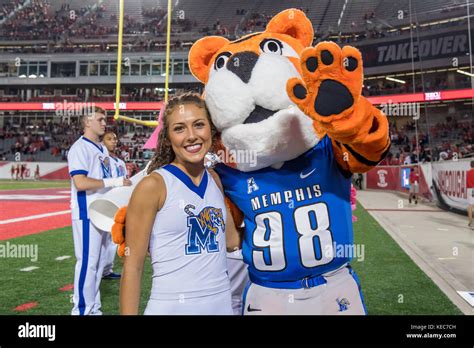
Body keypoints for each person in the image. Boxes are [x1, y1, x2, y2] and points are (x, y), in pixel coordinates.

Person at [120, 93, 241, 315]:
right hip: (171, 306)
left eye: (199, 125)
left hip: (221, 304)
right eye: (179, 129)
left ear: (211, 130)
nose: (192, 136)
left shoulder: (214, 179)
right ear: (167, 138)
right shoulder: (153, 186)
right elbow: (133, 266)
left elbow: (231, 242)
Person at [67, 106, 132, 315]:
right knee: (88, 263)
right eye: (100, 119)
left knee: (98, 264)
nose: (105, 123)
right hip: (87, 212)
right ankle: (82, 310)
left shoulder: (102, 149)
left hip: (103, 211)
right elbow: (80, 182)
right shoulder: (79, 148)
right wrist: (114, 181)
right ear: (87, 122)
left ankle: (93, 308)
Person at [100, 131, 127, 280]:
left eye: (115, 139)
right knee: (103, 239)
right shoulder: (103, 160)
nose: (114, 141)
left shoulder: (120, 162)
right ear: (103, 142)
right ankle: (100, 269)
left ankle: (107, 269)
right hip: (105, 202)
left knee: (113, 237)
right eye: (109, 139)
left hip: (117, 202)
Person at [467, 161, 474, 228]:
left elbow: (467, 182)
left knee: (470, 206)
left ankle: (470, 222)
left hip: (470, 189)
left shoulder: (468, 172)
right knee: (472, 207)